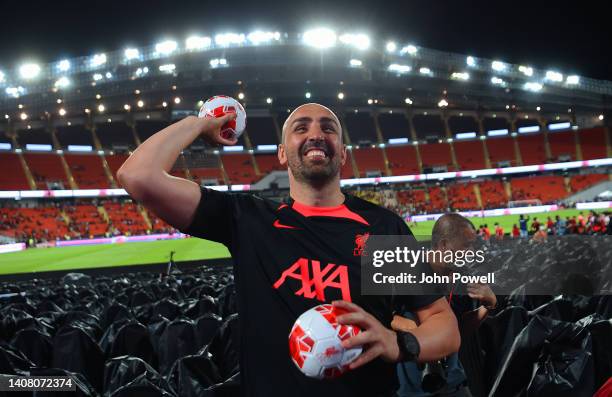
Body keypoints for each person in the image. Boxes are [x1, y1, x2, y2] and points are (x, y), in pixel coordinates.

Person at [117, 103, 460, 396]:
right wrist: (201, 122)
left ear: (343, 153)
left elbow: (443, 323)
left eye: (329, 128)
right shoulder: (248, 220)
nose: (315, 134)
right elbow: (138, 175)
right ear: (282, 153)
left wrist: (398, 344)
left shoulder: (382, 229)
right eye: (301, 127)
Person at [393, 214, 497, 397]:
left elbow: (458, 331)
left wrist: (488, 306)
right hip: (415, 389)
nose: (472, 251)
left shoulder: (464, 279)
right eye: (466, 245)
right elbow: (381, 316)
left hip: (454, 383)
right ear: (444, 245)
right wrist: (411, 326)